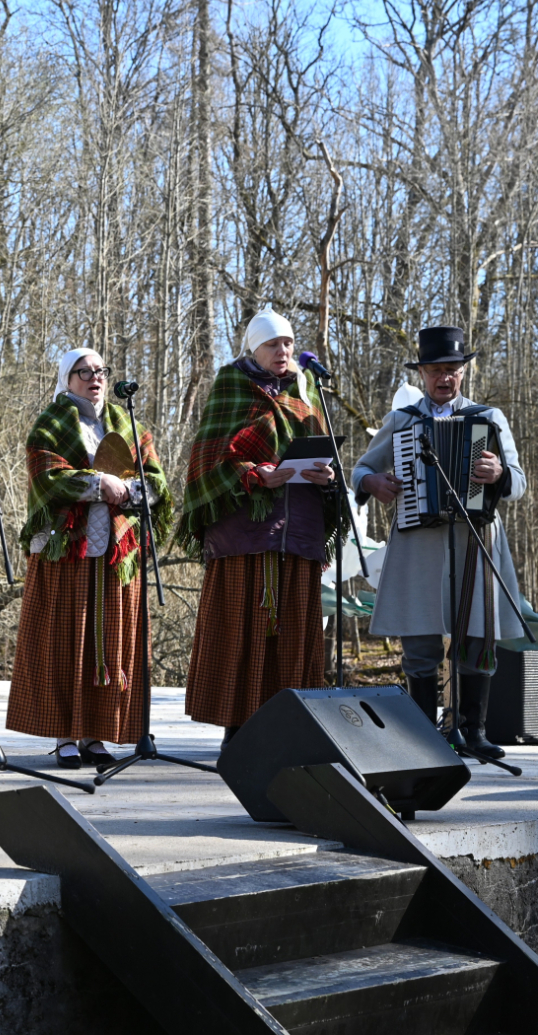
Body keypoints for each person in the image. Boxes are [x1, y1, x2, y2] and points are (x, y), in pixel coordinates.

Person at [353, 325, 525, 759]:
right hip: (419, 543)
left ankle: (474, 731)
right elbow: (360, 470)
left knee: (477, 635)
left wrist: (499, 474)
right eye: (435, 371)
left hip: (476, 539)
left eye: (452, 369)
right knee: (420, 639)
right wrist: (373, 482)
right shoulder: (402, 420)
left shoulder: (489, 418)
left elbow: (519, 483)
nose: (444, 378)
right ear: (422, 374)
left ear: (463, 372)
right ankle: (424, 734)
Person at [177, 309, 340, 750]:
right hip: (245, 537)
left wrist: (327, 477)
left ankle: (290, 730)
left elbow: (322, 454)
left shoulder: (305, 394)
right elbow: (207, 461)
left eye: (288, 343)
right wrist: (252, 474)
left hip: (299, 534)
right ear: (254, 348)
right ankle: (238, 731)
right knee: (243, 633)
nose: (283, 351)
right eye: (273, 344)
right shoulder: (231, 388)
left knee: (294, 635)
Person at [5, 347, 172, 768]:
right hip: (67, 550)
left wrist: (129, 490)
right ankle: (65, 736)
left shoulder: (128, 425)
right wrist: (99, 483)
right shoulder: (52, 423)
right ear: (67, 378)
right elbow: (47, 478)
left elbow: (156, 483)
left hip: (118, 554)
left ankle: (97, 735)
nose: (95, 377)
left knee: (110, 643)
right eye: (84, 372)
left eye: (100, 371)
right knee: (66, 642)